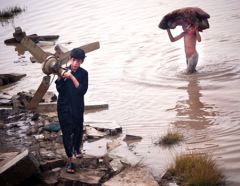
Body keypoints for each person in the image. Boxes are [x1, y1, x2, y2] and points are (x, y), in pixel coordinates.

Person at [55, 48, 88, 173]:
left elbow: (82, 91)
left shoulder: (84, 74)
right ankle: (71, 160)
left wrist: (72, 78)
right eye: (73, 60)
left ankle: (77, 148)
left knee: (78, 128)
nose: (75, 63)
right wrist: (61, 77)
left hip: (78, 106)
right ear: (70, 59)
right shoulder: (63, 71)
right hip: (64, 106)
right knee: (67, 132)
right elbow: (60, 90)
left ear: (82, 62)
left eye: (78, 61)